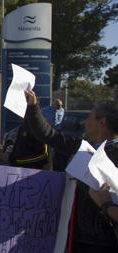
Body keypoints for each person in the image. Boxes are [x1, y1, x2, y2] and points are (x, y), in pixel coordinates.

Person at [23, 90, 118, 252]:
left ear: (102, 123)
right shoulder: (83, 149)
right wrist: (33, 106)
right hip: (77, 236)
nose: (84, 122)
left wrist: (105, 204)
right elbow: (48, 134)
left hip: (105, 243)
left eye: (89, 117)